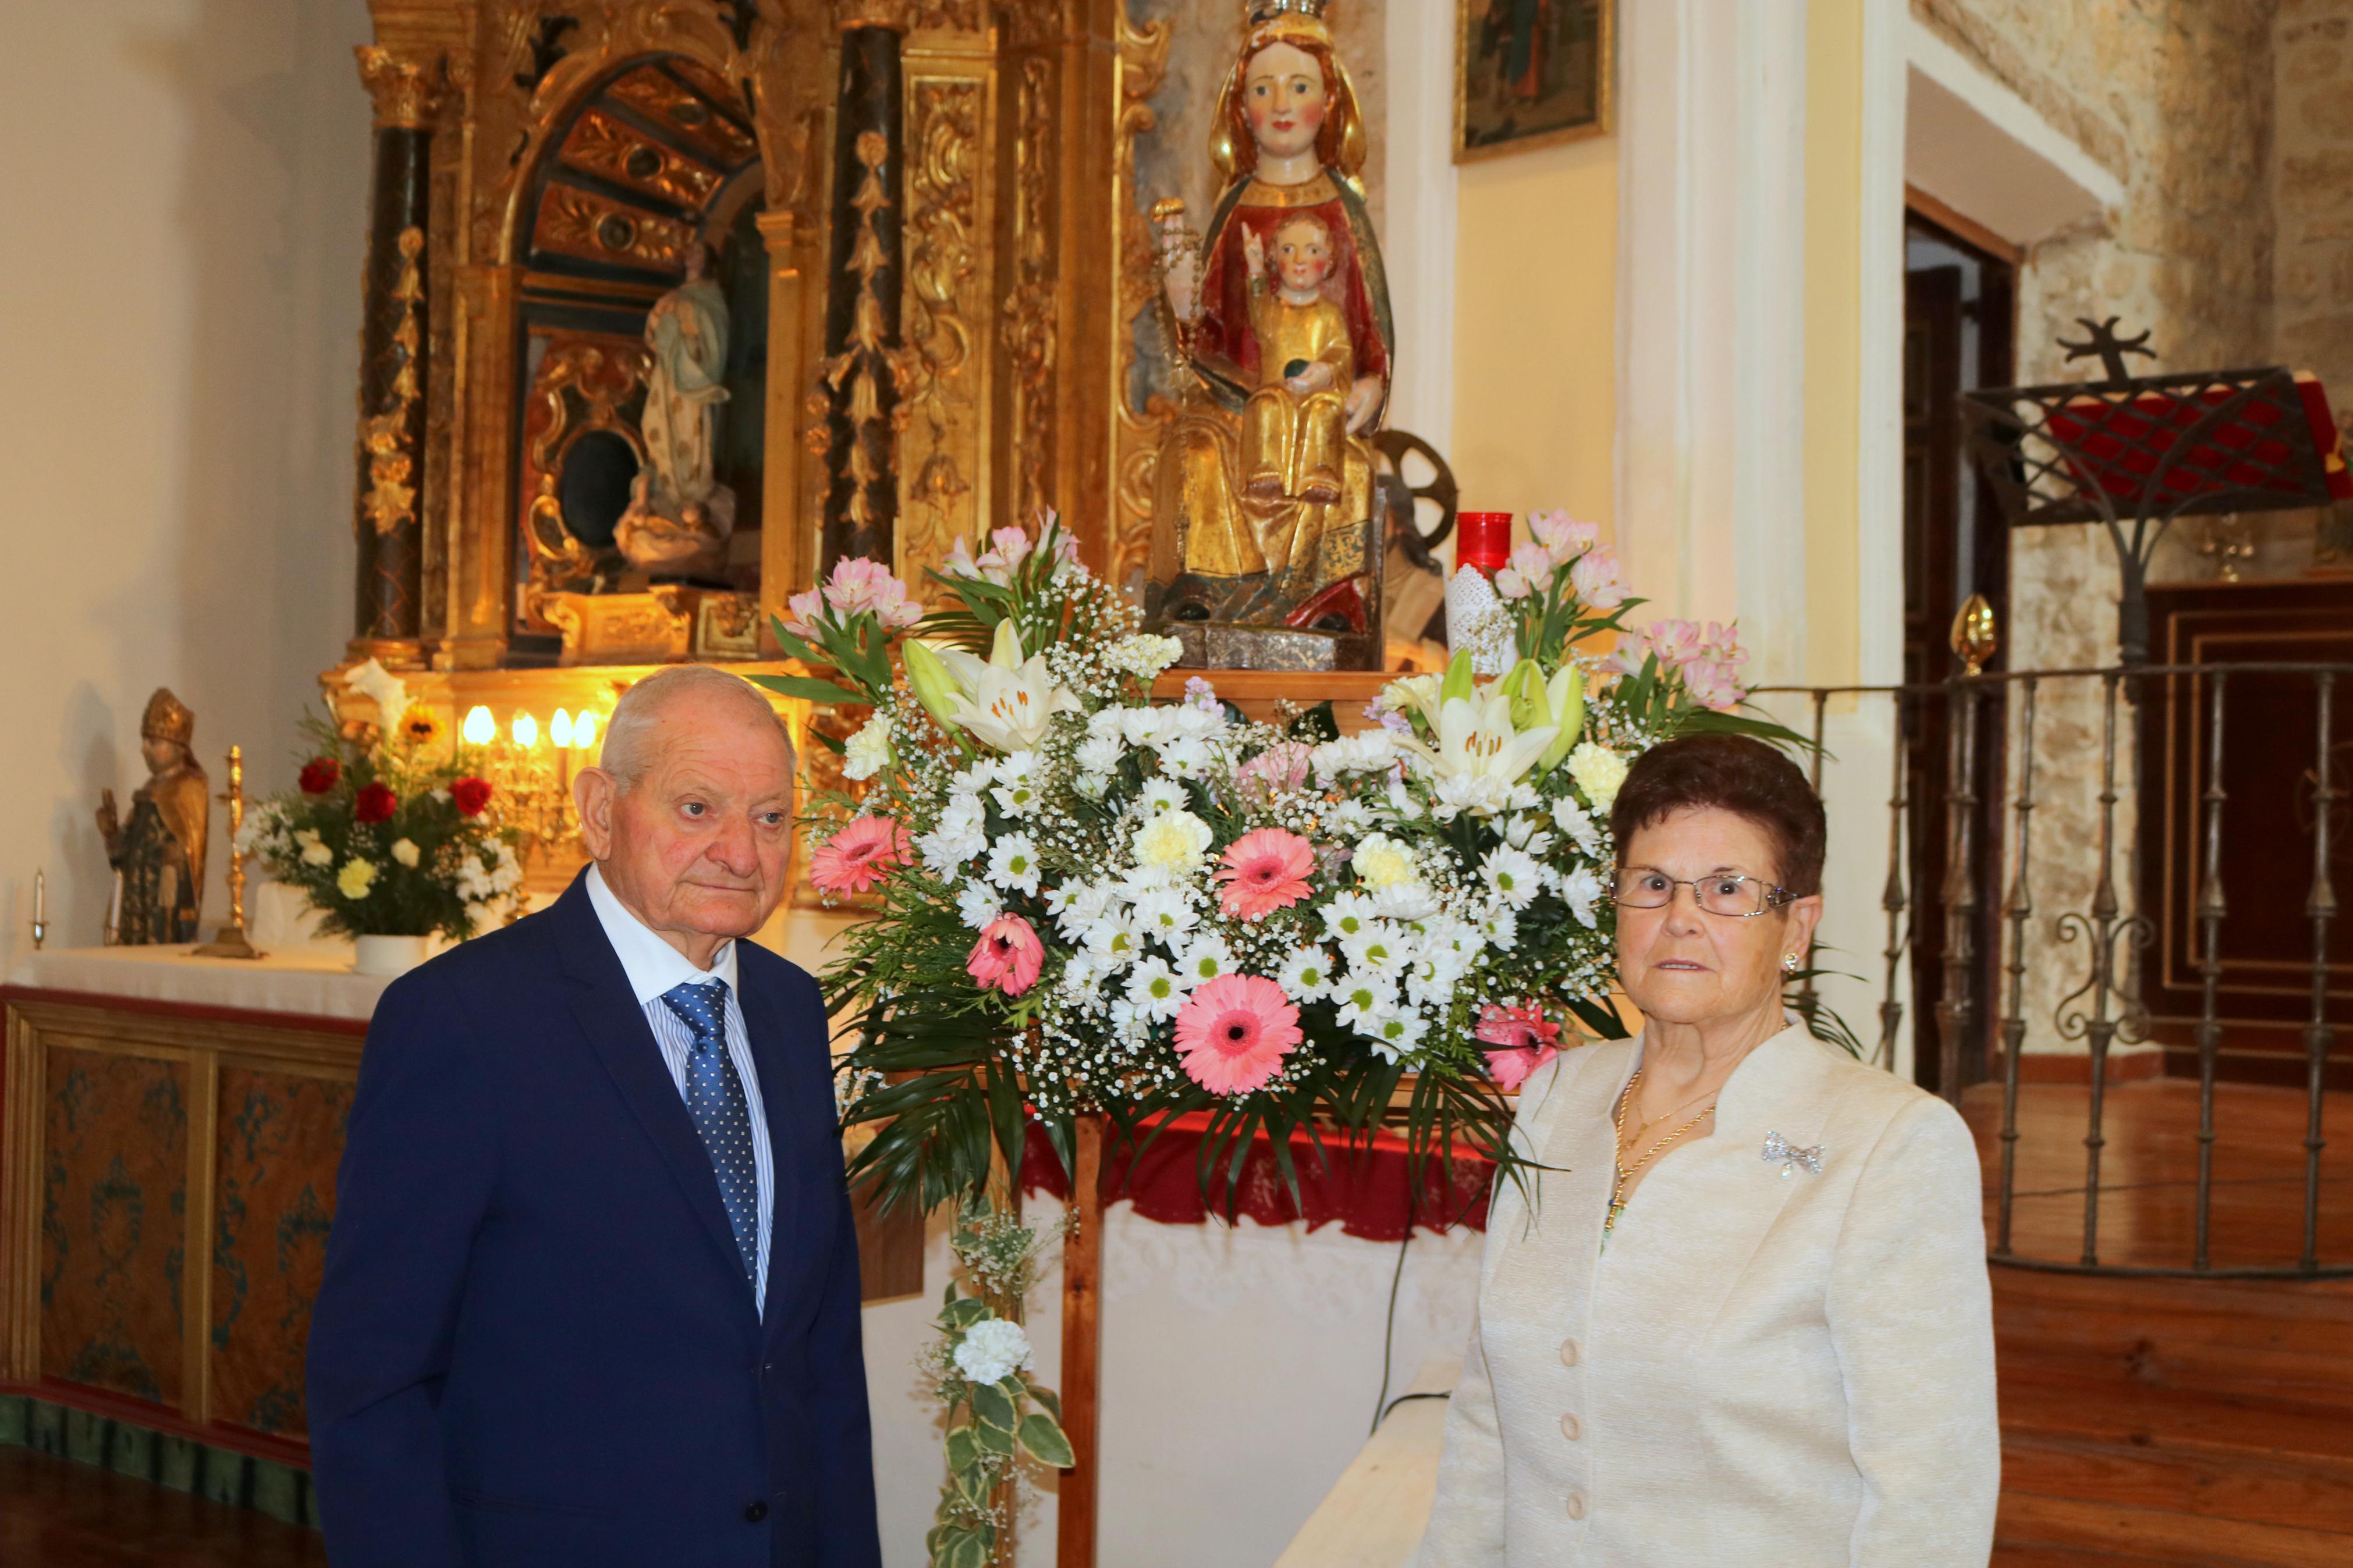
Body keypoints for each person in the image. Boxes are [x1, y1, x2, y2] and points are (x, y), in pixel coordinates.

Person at [308, 664, 881, 1568]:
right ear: (601, 808)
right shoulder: (464, 1019)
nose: (741, 850)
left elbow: (817, 1352)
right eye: (699, 808)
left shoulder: (789, 1007)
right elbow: (373, 1379)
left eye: (770, 816)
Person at [1414, 733, 1998, 1566]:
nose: (1679, 917)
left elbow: (1929, 1492)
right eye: (1651, 883)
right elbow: (1487, 1415)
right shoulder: (1557, 1095)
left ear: (1795, 925)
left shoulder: (1888, 1144)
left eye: (1728, 889)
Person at [1241, 214, 1354, 506]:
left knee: (1326, 410)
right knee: (1266, 407)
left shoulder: (1329, 314)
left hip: (1315, 393)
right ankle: (1265, 471)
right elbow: (1256, 313)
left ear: (1328, 262)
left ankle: (1320, 473)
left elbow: (1341, 350)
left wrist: (1325, 370)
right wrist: (1255, 271)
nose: (1300, 260)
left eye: (1312, 251)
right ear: (1274, 258)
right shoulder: (1273, 311)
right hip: (1276, 391)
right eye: (1289, 250)